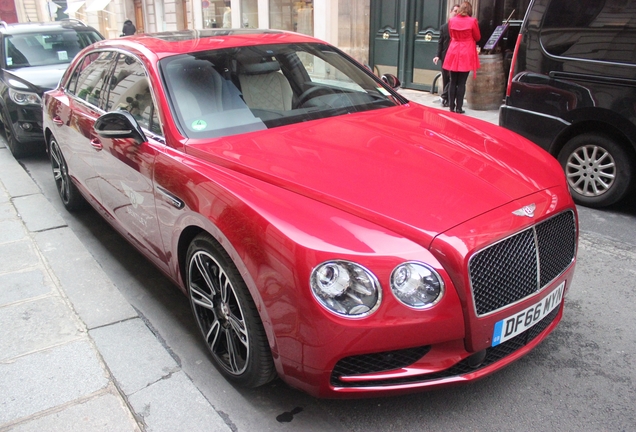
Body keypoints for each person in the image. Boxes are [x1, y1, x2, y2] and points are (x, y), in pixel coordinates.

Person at [442, 1, 480, 114]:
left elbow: (451, 34)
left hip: (454, 50)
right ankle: (459, 107)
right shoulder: (472, 21)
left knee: (453, 80)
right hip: (466, 51)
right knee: (462, 82)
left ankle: (451, 107)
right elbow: (477, 37)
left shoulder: (452, 20)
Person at [433, 4, 460, 108]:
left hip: (455, 55)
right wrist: (437, 55)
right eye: (455, 11)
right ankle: (446, 99)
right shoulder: (444, 27)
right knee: (446, 78)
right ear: (451, 12)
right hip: (445, 55)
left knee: (453, 78)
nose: (456, 13)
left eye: (458, 11)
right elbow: (440, 42)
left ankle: (445, 97)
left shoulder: (460, 27)